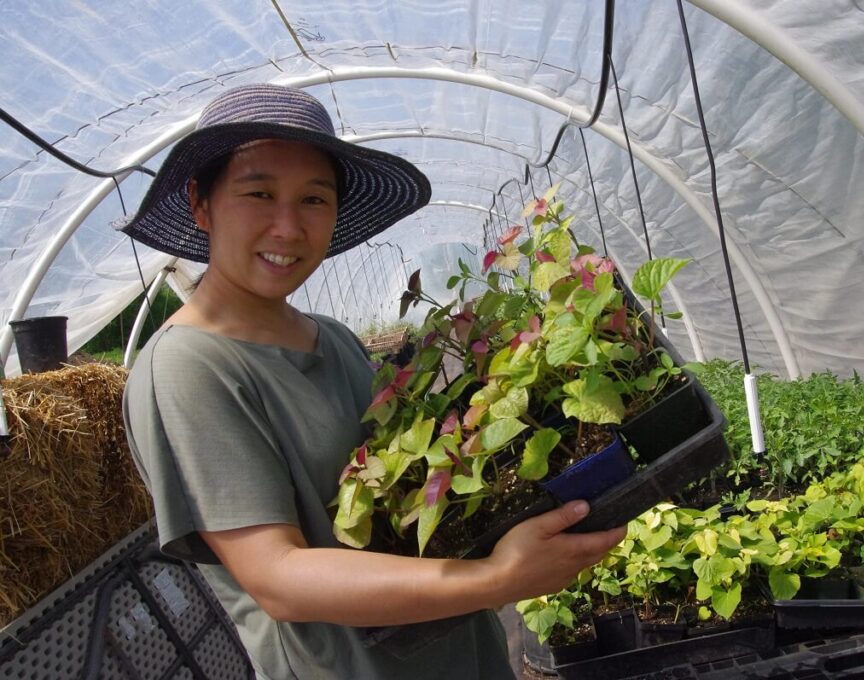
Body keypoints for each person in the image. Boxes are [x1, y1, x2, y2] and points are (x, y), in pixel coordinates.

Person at [118, 83, 625, 679]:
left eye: (313, 199)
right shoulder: (189, 369)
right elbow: (279, 577)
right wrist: (496, 578)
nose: (288, 226)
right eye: (258, 193)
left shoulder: (331, 338)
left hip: (462, 651)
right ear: (201, 204)